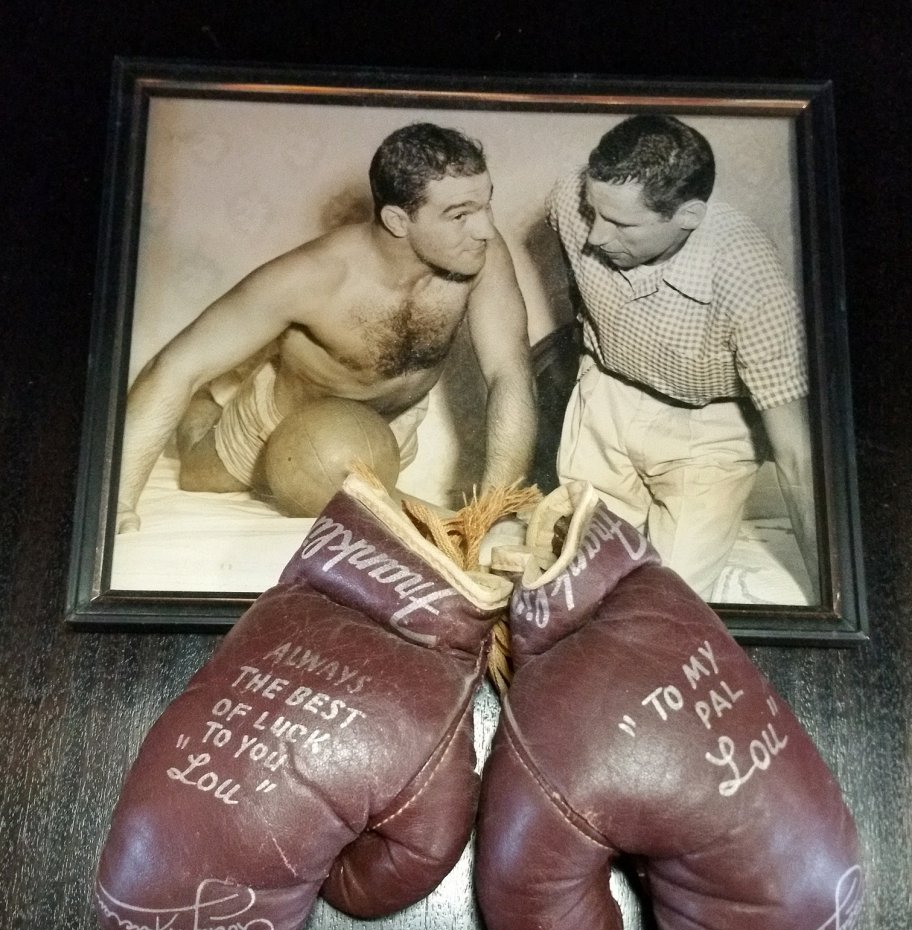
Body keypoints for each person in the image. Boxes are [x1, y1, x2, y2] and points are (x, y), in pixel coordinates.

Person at [117, 122, 536, 531]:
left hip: (390, 423)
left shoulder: (478, 253)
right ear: (397, 221)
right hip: (280, 421)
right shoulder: (311, 277)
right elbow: (173, 366)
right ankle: (208, 407)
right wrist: (118, 504)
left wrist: (496, 514)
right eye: (460, 215)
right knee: (198, 473)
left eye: (486, 205)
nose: (484, 229)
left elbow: (509, 372)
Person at [547, 113, 817, 600]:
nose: (596, 237)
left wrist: (835, 591)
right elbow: (578, 282)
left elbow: (795, 452)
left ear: (688, 216)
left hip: (708, 428)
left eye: (622, 224)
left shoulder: (748, 274)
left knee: (668, 604)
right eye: (594, 211)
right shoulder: (571, 199)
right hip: (607, 396)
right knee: (573, 580)